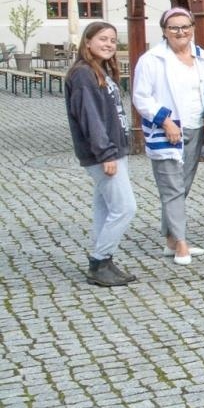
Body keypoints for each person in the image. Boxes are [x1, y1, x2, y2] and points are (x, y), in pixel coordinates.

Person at [131, 6, 204, 265]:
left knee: (183, 186)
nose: (180, 32)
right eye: (174, 28)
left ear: (192, 29)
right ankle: (180, 243)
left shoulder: (203, 57)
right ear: (165, 32)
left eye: (185, 27)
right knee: (172, 188)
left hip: (195, 128)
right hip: (168, 131)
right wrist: (165, 121)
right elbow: (141, 97)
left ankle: (170, 238)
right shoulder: (152, 59)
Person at [67, 21, 138, 287]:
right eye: (102, 39)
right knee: (125, 208)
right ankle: (99, 260)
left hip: (114, 149)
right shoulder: (83, 74)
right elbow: (90, 118)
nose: (108, 44)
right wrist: (105, 153)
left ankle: (104, 260)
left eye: (112, 40)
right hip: (104, 153)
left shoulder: (100, 70)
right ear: (87, 42)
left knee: (105, 207)